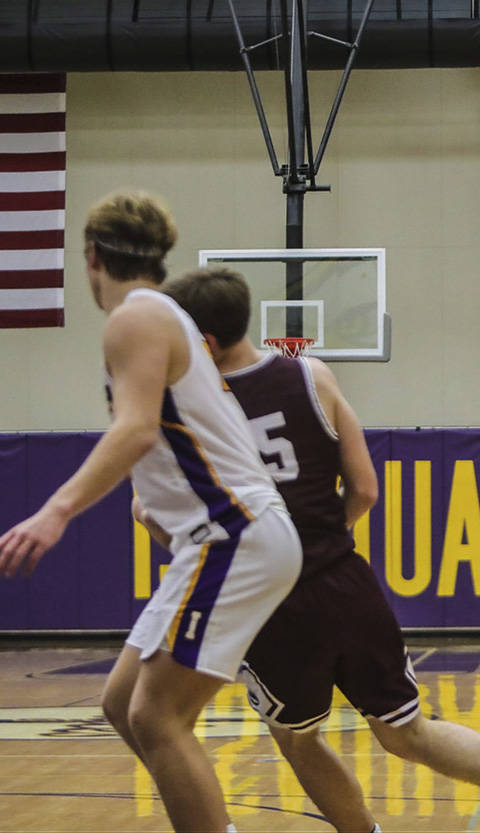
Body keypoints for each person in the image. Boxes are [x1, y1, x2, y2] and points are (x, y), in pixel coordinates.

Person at [147, 265, 480, 833]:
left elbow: (151, 515)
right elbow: (365, 489)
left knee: (297, 736)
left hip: (268, 599)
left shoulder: (195, 412)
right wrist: (322, 538)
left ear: (202, 341)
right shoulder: (313, 376)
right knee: (408, 728)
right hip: (346, 580)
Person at [0, 191, 302, 833]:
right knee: (120, 704)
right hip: (222, 533)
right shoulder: (167, 315)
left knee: (155, 717)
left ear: (91, 258)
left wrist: (55, 511)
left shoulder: (135, 318)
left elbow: (136, 430)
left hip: (233, 532)